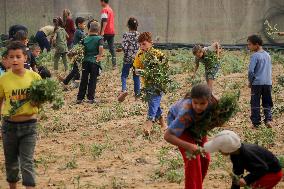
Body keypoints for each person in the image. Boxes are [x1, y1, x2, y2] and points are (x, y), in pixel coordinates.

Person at [0, 41, 42, 189]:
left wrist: (37, 102)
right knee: (11, 163)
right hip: (9, 127)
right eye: (11, 57)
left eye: (18, 56)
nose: (15, 60)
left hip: (29, 126)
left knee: (27, 162)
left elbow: (40, 101)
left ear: (25, 57)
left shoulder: (35, 77)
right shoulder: (3, 79)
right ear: (7, 59)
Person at [164, 84, 218, 189]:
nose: (198, 106)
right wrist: (189, 146)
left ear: (209, 101)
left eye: (202, 103)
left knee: (205, 157)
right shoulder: (185, 113)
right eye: (195, 102)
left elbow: (219, 111)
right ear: (191, 100)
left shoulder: (213, 103)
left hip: (196, 124)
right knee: (193, 158)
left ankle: (196, 185)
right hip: (179, 126)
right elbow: (167, 136)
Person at [204, 130, 283, 189]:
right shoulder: (235, 154)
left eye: (220, 150)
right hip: (263, 172)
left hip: (272, 174)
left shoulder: (248, 154)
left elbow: (263, 168)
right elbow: (238, 173)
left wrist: (246, 179)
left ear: (227, 149)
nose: (219, 151)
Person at [133, 32, 166, 135]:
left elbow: (165, 67)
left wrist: (156, 70)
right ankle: (163, 124)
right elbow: (136, 68)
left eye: (144, 44)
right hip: (147, 84)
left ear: (151, 43)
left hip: (158, 83)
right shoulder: (139, 55)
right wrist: (140, 71)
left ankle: (149, 122)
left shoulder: (158, 54)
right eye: (140, 44)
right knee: (154, 103)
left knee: (153, 101)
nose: (141, 47)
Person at [247, 35, 273, 128]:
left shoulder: (255, 56)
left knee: (255, 102)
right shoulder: (267, 55)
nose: (248, 46)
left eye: (250, 45)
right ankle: (268, 120)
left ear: (256, 45)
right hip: (268, 83)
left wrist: (250, 81)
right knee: (267, 102)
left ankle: (256, 123)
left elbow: (251, 71)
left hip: (257, 83)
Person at [76, 21, 104, 104]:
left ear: (89, 29)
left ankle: (79, 98)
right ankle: (90, 98)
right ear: (98, 30)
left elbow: (80, 49)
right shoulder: (99, 38)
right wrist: (99, 55)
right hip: (94, 62)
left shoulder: (84, 39)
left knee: (84, 79)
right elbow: (101, 47)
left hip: (85, 61)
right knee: (92, 80)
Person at [117, 17, 140, 102]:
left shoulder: (126, 34)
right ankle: (137, 95)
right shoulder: (140, 35)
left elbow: (125, 47)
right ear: (137, 25)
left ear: (128, 26)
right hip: (138, 60)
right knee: (136, 76)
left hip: (128, 59)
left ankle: (124, 90)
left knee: (124, 75)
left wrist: (120, 49)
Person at [60, 17, 86, 86]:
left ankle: (75, 82)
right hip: (77, 53)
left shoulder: (80, 31)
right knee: (75, 69)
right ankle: (65, 82)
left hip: (77, 52)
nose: (85, 25)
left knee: (76, 68)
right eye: (84, 24)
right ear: (79, 24)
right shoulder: (78, 32)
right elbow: (86, 39)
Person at [99, 0, 117, 68]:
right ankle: (114, 65)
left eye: (100, 1)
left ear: (103, 1)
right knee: (112, 48)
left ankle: (98, 63)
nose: (100, 3)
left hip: (105, 31)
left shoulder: (104, 10)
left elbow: (104, 21)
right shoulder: (110, 9)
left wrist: (102, 31)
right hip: (112, 31)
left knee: (100, 46)